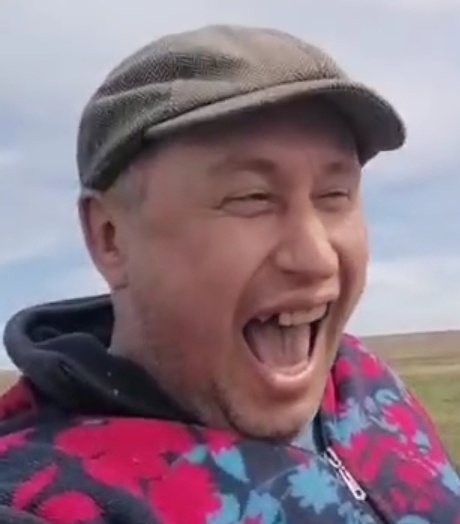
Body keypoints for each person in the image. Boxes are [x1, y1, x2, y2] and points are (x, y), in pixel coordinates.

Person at [0, 24, 458, 524]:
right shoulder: (43, 495)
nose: (317, 259)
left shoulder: (366, 379)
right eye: (251, 197)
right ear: (110, 236)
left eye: (334, 195)